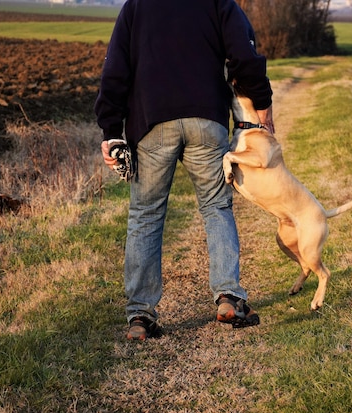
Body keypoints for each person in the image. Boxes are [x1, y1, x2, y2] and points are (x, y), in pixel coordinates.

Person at [94, 0, 274, 340]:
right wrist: (261, 103)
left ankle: (140, 317)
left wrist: (112, 131)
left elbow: (115, 70)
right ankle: (229, 296)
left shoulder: (137, 7)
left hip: (151, 121)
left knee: (145, 215)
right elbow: (244, 55)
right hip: (206, 119)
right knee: (216, 205)